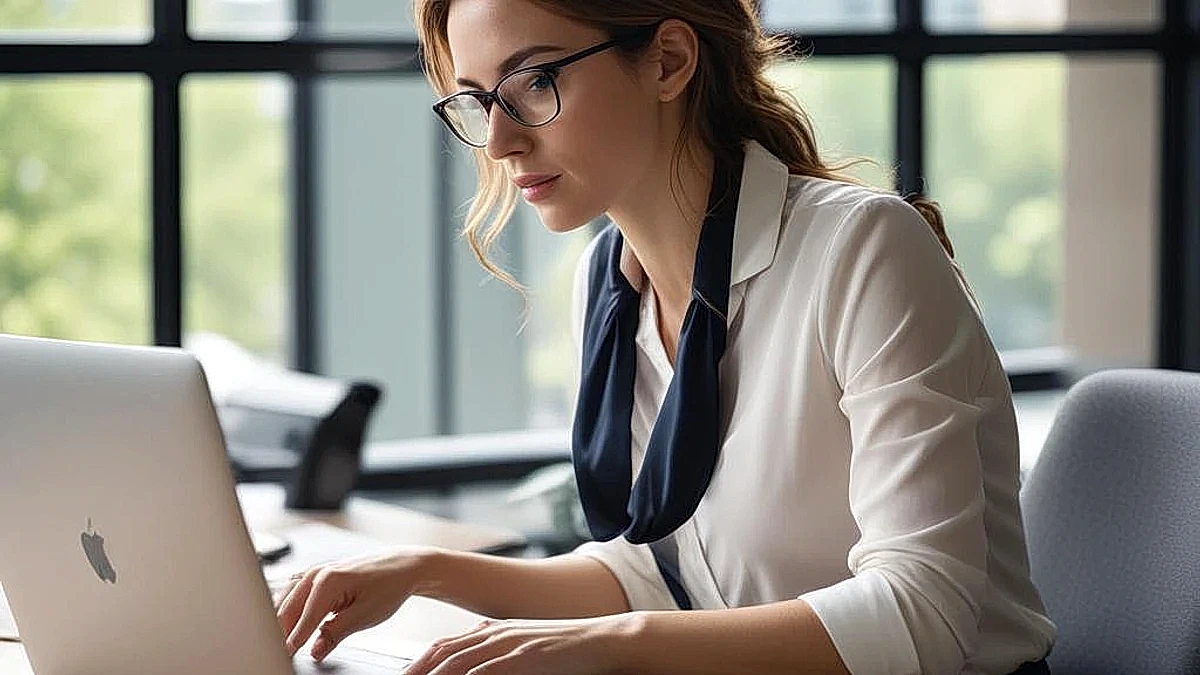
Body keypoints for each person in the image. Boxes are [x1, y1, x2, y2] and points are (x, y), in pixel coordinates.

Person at [275, 1, 1058, 672]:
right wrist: (425, 570)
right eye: (479, 101)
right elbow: (658, 571)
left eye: (535, 83)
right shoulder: (609, 280)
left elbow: (924, 609)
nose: (503, 142)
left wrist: (613, 644)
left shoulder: (861, 251)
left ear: (668, 61)